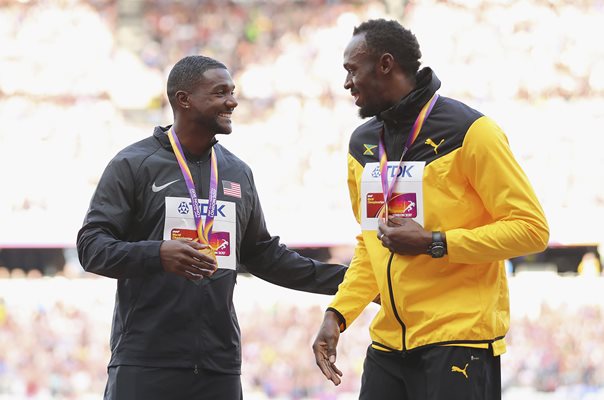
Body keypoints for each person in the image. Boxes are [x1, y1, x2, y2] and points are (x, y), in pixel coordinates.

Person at [76, 55, 347, 400]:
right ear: (183, 99)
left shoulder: (237, 172)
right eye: (220, 93)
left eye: (232, 92)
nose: (232, 101)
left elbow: (263, 255)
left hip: (218, 367)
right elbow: (91, 247)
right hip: (145, 363)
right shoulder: (133, 164)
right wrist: (158, 254)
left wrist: (351, 281)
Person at [311, 19, 549, 400]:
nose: (346, 83)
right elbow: (371, 245)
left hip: (459, 343)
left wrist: (435, 242)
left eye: (352, 70)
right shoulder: (362, 144)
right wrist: (337, 315)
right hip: (388, 346)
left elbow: (531, 229)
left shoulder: (472, 131)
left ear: (386, 64)